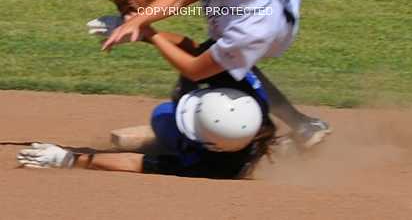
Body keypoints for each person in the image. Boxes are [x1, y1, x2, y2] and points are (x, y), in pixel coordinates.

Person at [52, 0, 348, 147]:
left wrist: (146, 34)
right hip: (242, 12)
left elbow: (195, 66)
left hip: (262, 34)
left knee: (200, 78)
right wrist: (138, 18)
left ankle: (277, 130)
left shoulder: (254, 27)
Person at [17, 26, 276, 179]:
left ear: (211, 145)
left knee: (162, 115)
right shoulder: (251, 101)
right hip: (232, 139)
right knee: (188, 81)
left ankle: (171, 139)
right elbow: (194, 47)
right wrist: (143, 31)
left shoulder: (209, 167)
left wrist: (70, 159)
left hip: (205, 148)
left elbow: (135, 163)